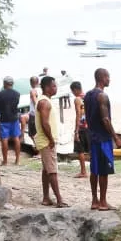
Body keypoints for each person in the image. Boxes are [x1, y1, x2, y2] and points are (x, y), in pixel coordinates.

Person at [84, 68, 117, 211]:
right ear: (102, 78)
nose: (109, 79)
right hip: (103, 138)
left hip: (93, 136)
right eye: (108, 77)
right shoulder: (102, 96)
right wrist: (115, 137)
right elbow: (105, 119)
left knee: (94, 170)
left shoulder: (88, 95)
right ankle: (103, 201)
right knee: (104, 170)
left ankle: (94, 200)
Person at [34, 75, 67, 207]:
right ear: (47, 87)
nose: (56, 88)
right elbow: (45, 123)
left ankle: (46, 197)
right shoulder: (44, 102)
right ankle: (59, 199)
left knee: (46, 169)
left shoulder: (44, 100)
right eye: (53, 86)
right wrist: (51, 139)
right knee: (52, 170)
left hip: (45, 140)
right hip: (47, 141)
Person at [0, 76, 22, 166]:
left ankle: (5, 161)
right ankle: (17, 160)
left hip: (4, 118)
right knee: (16, 138)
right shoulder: (17, 94)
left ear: (4, 83)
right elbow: (16, 105)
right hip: (14, 118)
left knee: (4, 139)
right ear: (12, 83)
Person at [70, 81, 89, 178]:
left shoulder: (77, 99)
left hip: (81, 127)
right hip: (89, 126)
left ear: (75, 90)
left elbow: (78, 114)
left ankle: (83, 171)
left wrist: (76, 131)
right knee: (90, 150)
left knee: (80, 150)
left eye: (72, 91)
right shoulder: (87, 97)